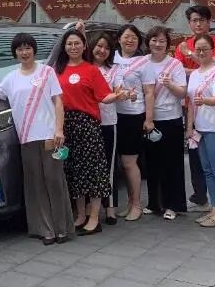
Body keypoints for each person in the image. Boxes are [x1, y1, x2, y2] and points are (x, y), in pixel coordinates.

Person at [0, 33, 72, 244]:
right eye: (19, 49)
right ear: (15, 53)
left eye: (27, 48)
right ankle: (46, 230)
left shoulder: (47, 72)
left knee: (54, 180)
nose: (24, 52)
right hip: (26, 137)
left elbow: (58, 102)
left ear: (34, 50)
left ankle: (62, 228)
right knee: (36, 184)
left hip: (50, 136)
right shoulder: (11, 78)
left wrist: (59, 129)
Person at [52, 29, 119, 235]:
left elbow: (104, 96)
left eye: (77, 43)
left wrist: (119, 95)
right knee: (74, 172)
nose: (73, 47)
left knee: (93, 172)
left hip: (88, 125)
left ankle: (94, 218)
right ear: (64, 47)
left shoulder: (91, 70)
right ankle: (80, 215)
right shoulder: (57, 70)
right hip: (66, 125)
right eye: (69, 44)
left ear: (84, 46)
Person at [174, 5, 215, 218]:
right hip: (192, 111)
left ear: (209, 22)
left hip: (214, 117)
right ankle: (203, 199)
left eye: (202, 19)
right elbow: (178, 71)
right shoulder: (183, 45)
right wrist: (196, 66)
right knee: (198, 161)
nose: (198, 24)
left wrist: (190, 55)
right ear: (189, 23)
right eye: (194, 20)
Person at [141, 26, 188, 220]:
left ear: (167, 44)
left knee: (172, 164)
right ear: (148, 42)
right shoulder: (142, 62)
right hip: (149, 120)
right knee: (152, 163)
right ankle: (154, 203)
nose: (158, 44)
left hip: (171, 119)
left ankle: (173, 205)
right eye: (154, 40)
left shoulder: (174, 64)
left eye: (162, 41)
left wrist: (170, 85)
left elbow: (183, 93)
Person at [186, 34, 215, 228]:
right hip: (201, 128)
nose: (201, 52)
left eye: (205, 49)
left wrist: (204, 100)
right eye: (198, 49)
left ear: (213, 50)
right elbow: (190, 103)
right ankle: (214, 209)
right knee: (208, 171)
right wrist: (190, 127)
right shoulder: (195, 74)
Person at [113, 24, 154, 221]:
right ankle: (129, 202)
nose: (129, 40)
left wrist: (148, 119)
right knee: (123, 163)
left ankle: (137, 204)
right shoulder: (112, 58)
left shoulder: (143, 62)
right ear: (119, 39)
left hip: (133, 116)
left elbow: (149, 92)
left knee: (129, 163)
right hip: (113, 115)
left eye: (134, 38)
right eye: (126, 36)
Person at [93, 32, 124, 224]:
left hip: (107, 122)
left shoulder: (114, 69)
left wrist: (122, 94)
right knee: (90, 167)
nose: (102, 50)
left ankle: (110, 208)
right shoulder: (84, 67)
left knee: (109, 167)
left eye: (106, 47)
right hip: (87, 123)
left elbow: (118, 90)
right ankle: (90, 209)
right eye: (99, 46)